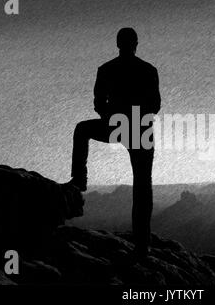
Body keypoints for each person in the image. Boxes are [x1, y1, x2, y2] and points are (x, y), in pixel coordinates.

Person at [66, 27, 161, 257]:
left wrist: (114, 118)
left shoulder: (107, 69)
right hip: (139, 129)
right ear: (136, 43)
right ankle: (142, 244)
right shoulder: (148, 70)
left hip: (117, 125)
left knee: (82, 130)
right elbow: (155, 105)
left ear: (118, 44)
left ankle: (79, 179)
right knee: (142, 186)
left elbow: (99, 103)